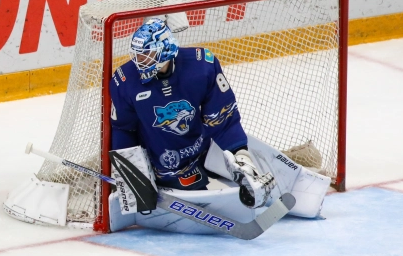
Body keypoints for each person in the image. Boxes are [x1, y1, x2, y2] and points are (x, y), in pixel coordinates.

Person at [107, 19, 329, 233]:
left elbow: (223, 117)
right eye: (138, 55)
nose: (140, 61)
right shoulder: (125, 81)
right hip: (166, 162)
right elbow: (124, 128)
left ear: (166, 51)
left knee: (244, 162)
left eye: (148, 54)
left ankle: (262, 177)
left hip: (204, 145)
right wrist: (132, 174)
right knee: (204, 195)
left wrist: (241, 155)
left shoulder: (201, 65)